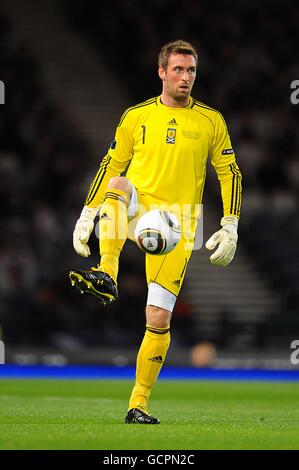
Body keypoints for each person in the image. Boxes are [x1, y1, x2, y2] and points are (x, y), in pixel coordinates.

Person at [69, 40, 242, 424]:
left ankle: (138, 404)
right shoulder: (136, 116)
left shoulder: (211, 121)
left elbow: (229, 173)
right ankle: (107, 272)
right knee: (119, 182)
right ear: (161, 71)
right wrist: (88, 212)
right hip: (138, 207)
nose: (185, 77)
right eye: (178, 70)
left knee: (158, 317)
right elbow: (111, 162)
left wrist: (229, 223)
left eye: (191, 70)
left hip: (180, 223)